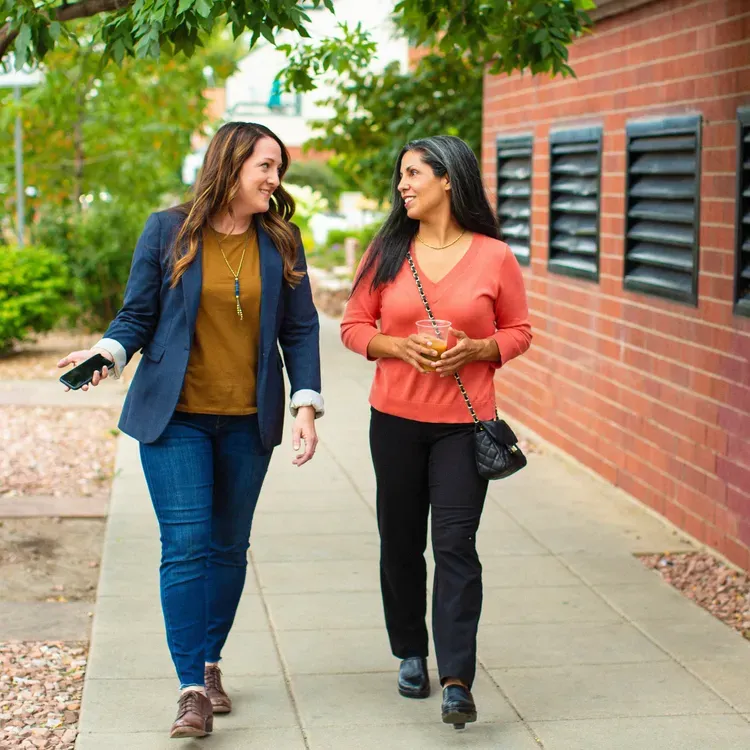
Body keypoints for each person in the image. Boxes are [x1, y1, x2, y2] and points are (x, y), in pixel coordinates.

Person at [58, 122, 323, 739]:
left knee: (229, 548)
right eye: (266, 166)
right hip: (174, 417)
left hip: (246, 420)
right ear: (231, 165)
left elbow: (302, 328)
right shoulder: (167, 229)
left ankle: (210, 662)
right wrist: (105, 356)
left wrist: (305, 404)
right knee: (185, 545)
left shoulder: (281, 239)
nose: (274, 179)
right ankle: (191, 690)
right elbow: (138, 314)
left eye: (278, 169)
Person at [340, 135, 531, 728]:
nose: (403, 184)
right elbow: (352, 326)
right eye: (401, 175)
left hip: (462, 427)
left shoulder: (495, 257)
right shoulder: (387, 251)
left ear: (449, 179)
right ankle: (408, 652)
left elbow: (520, 329)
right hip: (394, 421)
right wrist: (397, 346)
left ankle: (456, 678)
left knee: (455, 547)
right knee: (400, 545)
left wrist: (479, 348)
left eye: (414, 173)